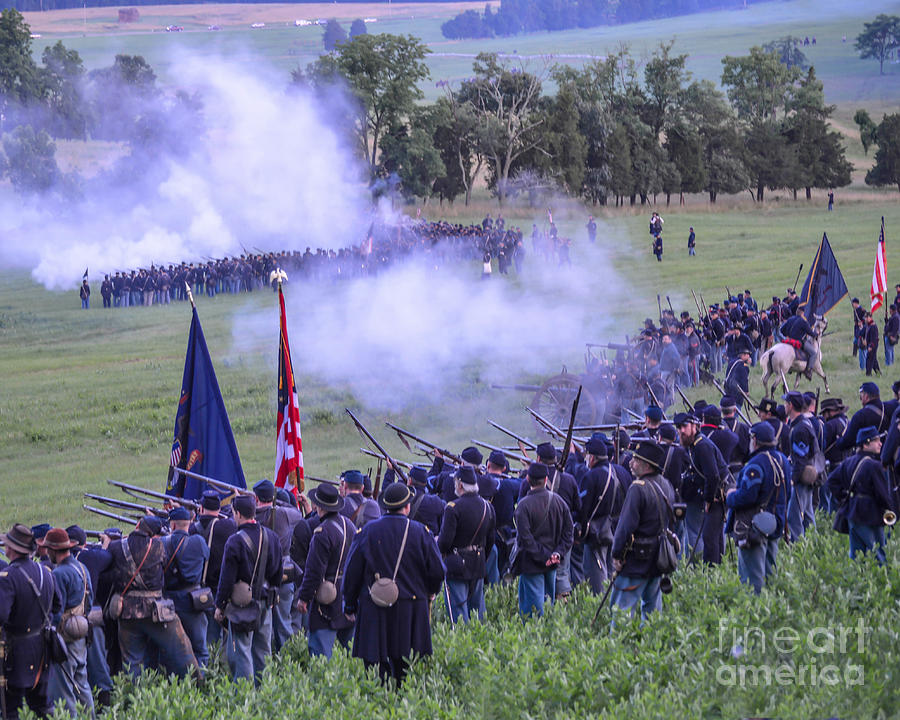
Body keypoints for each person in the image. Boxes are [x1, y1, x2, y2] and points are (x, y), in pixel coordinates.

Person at [342, 482, 445, 687]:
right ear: (407, 507)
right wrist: (431, 591)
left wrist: (350, 605)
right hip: (412, 609)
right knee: (405, 671)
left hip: (374, 608)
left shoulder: (367, 532)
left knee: (375, 672)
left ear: (385, 506)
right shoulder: (421, 532)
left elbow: (352, 572)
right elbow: (438, 571)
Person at [108, 516, 199, 681]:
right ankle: (198, 685)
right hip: (157, 610)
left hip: (127, 611)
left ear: (137, 525)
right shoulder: (158, 546)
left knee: (132, 662)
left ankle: (134, 700)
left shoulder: (115, 547)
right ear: (155, 535)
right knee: (182, 650)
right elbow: (164, 564)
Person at [215, 495, 283, 684]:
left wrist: (220, 605)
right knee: (263, 650)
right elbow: (278, 573)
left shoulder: (235, 541)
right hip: (265, 601)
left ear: (238, 514)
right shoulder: (272, 536)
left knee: (240, 651)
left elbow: (226, 579)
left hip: (242, 606)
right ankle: (265, 692)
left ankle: (245, 697)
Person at [610, 440, 676, 623]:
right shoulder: (666, 485)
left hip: (636, 561)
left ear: (647, 465)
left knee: (622, 612)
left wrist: (616, 554)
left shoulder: (637, 489)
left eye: (636, 460)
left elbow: (625, 528)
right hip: (658, 559)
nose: (631, 463)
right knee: (653, 614)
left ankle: (618, 650)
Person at [0, 524, 61, 720]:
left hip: (16, 652)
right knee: (42, 706)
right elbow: (58, 605)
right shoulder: (45, 572)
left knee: (11, 709)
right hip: (42, 649)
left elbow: (1, 615)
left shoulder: (8, 578)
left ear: (11, 549)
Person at [725, 424, 789, 593]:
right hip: (775, 523)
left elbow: (747, 497)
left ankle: (754, 615)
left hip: (753, 528)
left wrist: (730, 495)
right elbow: (788, 492)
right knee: (770, 575)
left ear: (755, 440)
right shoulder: (783, 460)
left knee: (751, 580)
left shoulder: (755, 465)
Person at [296, 484, 356, 658]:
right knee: (353, 654)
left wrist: (304, 598)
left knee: (321, 657)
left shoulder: (322, 533)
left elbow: (313, 571)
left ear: (319, 506)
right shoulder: (350, 525)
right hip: (347, 596)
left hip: (326, 600)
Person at [41, 528, 94, 718]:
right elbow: (90, 599)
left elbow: (56, 610)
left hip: (65, 638)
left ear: (54, 550)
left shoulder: (59, 574)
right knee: (83, 685)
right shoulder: (82, 567)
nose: (46, 553)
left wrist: (51, 634)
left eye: (48, 549)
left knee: (64, 690)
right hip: (81, 633)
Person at [511, 463, 573, 619]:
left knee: (533, 613)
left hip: (532, 564)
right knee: (548, 606)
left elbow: (525, 539)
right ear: (546, 479)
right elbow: (569, 533)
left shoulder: (523, 505)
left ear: (527, 479)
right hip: (552, 562)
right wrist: (557, 553)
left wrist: (545, 556)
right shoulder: (560, 502)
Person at [827, 427, 895, 565]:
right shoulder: (874, 466)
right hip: (871, 515)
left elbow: (831, 481)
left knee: (856, 558)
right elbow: (882, 494)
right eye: (876, 441)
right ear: (865, 444)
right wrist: (891, 510)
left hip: (852, 513)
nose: (880, 443)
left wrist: (844, 495)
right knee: (878, 555)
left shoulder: (848, 462)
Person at [437, 466, 495, 623]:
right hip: (478, 562)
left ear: (460, 484)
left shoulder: (452, 508)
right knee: (478, 612)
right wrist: (482, 557)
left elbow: (444, 542)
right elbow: (490, 541)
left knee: (459, 612)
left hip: (457, 565)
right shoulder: (487, 507)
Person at [253, 479, 303, 653]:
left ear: (256, 498)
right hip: (283, 571)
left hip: (259, 574)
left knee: (262, 626)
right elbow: (298, 513)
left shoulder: (250, 514)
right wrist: (278, 501)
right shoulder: (282, 513)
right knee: (283, 623)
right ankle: (287, 661)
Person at [675, 412, 728, 564]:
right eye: (679, 428)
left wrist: (708, 499)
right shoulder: (694, 445)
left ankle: (710, 573)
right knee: (712, 537)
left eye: (684, 426)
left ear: (695, 426)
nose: (681, 431)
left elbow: (713, 476)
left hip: (717, 496)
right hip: (713, 495)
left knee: (710, 538)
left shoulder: (702, 446)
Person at [163, 507, 210, 668]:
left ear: (173, 525)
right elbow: (206, 558)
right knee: (200, 649)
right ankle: (202, 684)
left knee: (172, 650)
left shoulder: (163, 543)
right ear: (189, 524)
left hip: (170, 603)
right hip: (194, 601)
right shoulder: (198, 541)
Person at [577, 434, 624, 594]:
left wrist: (581, 530)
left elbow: (584, 508)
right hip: (613, 528)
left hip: (596, 532)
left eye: (587, 455)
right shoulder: (614, 472)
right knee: (611, 574)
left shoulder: (591, 476)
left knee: (596, 577)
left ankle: (601, 611)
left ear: (593, 458)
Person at [783, 392, 818, 540]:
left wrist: (793, 479)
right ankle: (813, 545)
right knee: (808, 514)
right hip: (805, 474)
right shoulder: (802, 424)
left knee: (794, 517)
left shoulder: (800, 429)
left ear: (790, 405)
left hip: (801, 476)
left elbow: (801, 458)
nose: (784, 406)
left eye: (786, 403)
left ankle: (800, 548)